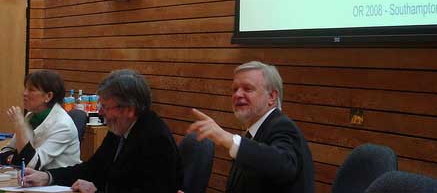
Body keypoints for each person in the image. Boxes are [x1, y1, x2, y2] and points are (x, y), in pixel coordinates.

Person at [23, 69, 183, 193]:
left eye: (105, 107)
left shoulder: (156, 140)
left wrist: (98, 190)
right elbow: (93, 168)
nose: (99, 112)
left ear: (129, 109)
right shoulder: (120, 127)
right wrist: (48, 177)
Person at [182, 61, 315, 193]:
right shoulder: (252, 134)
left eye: (247, 89)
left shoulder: (283, 126)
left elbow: (284, 166)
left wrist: (229, 139)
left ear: (271, 97)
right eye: (235, 89)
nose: (237, 95)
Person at [0, 70, 80, 170]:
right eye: (25, 88)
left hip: (58, 183)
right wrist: (14, 158)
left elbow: (31, 163)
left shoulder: (63, 125)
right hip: (31, 180)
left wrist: (20, 125)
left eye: (31, 90)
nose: (24, 93)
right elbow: (6, 151)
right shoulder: (31, 116)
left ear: (48, 96)